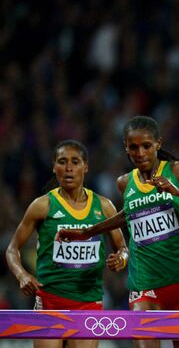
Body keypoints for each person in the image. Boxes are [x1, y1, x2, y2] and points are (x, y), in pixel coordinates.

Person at [56, 116, 179, 348]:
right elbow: (128, 214)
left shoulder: (178, 171)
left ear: (158, 143)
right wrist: (88, 232)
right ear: (126, 148)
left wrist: (177, 192)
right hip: (144, 284)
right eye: (133, 147)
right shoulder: (125, 183)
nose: (140, 152)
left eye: (146, 146)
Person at [6, 139, 128, 348]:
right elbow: (12, 249)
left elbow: (123, 248)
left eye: (75, 161)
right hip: (50, 302)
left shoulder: (104, 206)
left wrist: (122, 260)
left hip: (88, 303)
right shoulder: (42, 205)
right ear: (54, 167)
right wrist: (22, 275)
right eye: (62, 161)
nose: (69, 168)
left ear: (86, 166)